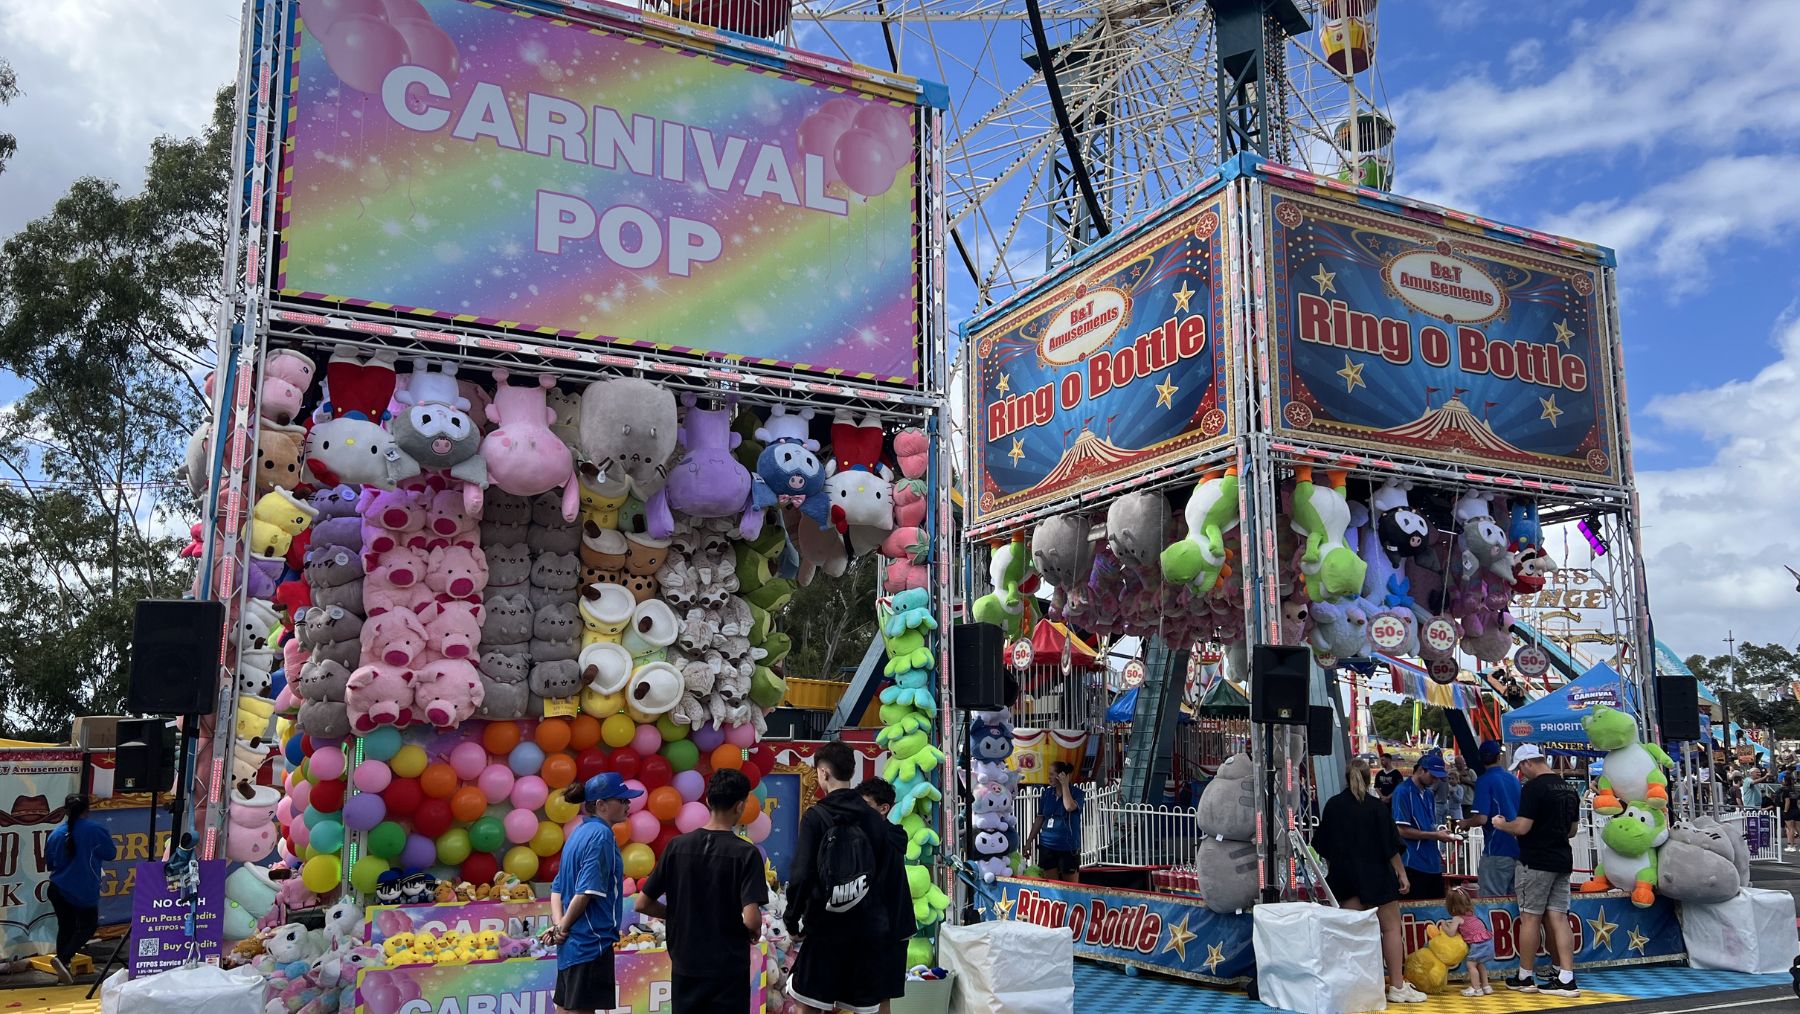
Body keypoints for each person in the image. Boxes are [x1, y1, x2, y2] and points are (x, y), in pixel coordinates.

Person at [635, 770, 769, 1013]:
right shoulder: (746, 854)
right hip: (728, 968)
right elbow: (751, 919)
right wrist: (753, 929)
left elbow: (642, 903)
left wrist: (678, 914)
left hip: (686, 963)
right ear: (740, 807)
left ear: (707, 801)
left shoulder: (677, 846)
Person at [787, 740, 905, 1014]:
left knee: (809, 1003)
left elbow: (802, 873)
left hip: (825, 927)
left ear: (824, 773)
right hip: (868, 930)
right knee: (864, 1007)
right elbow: (888, 876)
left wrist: (793, 920)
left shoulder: (816, 816)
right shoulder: (876, 820)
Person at [1314, 758, 1423, 1004]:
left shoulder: (1333, 805)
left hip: (1344, 878)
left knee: (1349, 934)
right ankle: (1396, 985)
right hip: (1377, 876)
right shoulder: (1377, 807)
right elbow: (1390, 846)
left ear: (1346, 777)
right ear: (1368, 778)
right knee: (1391, 929)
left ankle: (1352, 986)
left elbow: (1322, 844)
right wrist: (1402, 874)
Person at [546, 773, 638, 1014]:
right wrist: (562, 928)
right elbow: (585, 892)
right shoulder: (602, 835)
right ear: (601, 805)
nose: (628, 804)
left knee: (565, 1009)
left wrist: (559, 927)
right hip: (590, 943)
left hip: (571, 945)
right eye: (622, 799)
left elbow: (556, 889)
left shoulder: (578, 832)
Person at [1492, 744, 1580, 997]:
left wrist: (1501, 824)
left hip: (1536, 861)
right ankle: (1566, 976)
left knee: (1530, 917)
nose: (1521, 773)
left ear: (1527, 763)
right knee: (1559, 918)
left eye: (1520, 768)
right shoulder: (1569, 788)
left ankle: (1525, 975)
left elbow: (1521, 827)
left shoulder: (1533, 788)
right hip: (1562, 859)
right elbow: (1572, 830)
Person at [857, 777, 918, 1014]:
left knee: (877, 997)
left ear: (884, 808)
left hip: (885, 929)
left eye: (866, 805)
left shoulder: (877, 838)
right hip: (888, 928)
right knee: (875, 997)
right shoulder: (892, 836)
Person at [44, 794, 114, 984]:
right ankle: (63, 959)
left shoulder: (56, 834)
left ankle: (63, 970)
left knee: (65, 926)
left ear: (65, 810)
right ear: (87, 810)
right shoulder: (96, 830)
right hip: (83, 889)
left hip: (58, 888)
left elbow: (50, 863)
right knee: (88, 925)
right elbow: (110, 853)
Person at [1392, 753, 1458, 900]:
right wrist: (1435, 835)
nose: (1435, 781)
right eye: (1433, 776)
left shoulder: (1428, 794)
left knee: (1435, 910)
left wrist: (1438, 831)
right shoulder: (1403, 792)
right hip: (1413, 862)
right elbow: (1401, 830)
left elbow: (1428, 825)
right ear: (1421, 770)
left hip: (1432, 861)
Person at [1462, 740, 1521, 898]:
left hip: (1496, 849)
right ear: (1499, 757)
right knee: (1515, 904)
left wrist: (1465, 823)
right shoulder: (1514, 780)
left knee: (1492, 904)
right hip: (1518, 849)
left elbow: (1481, 818)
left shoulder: (1484, 781)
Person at [1025, 762, 1084, 882]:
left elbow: (1068, 807)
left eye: (1052, 774)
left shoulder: (1077, 793)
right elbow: (1040, 818)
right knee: (1052, 885)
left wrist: (1065, 785)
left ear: (1061, 775)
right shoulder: (1047, 794)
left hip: (1067, 847)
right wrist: (1029, 841)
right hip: (1047, 845)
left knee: (1070, 886)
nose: (1049, 777)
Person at [1444, 887, 1493, 997]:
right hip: (1487, 941)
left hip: (1477, 944)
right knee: (1480, 964)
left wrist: (1444, 926)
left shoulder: (1457, 918)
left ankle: (1476, 988)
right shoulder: (1471, 913)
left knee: (1471, 965)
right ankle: (1486, 986)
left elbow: (1451, 933)